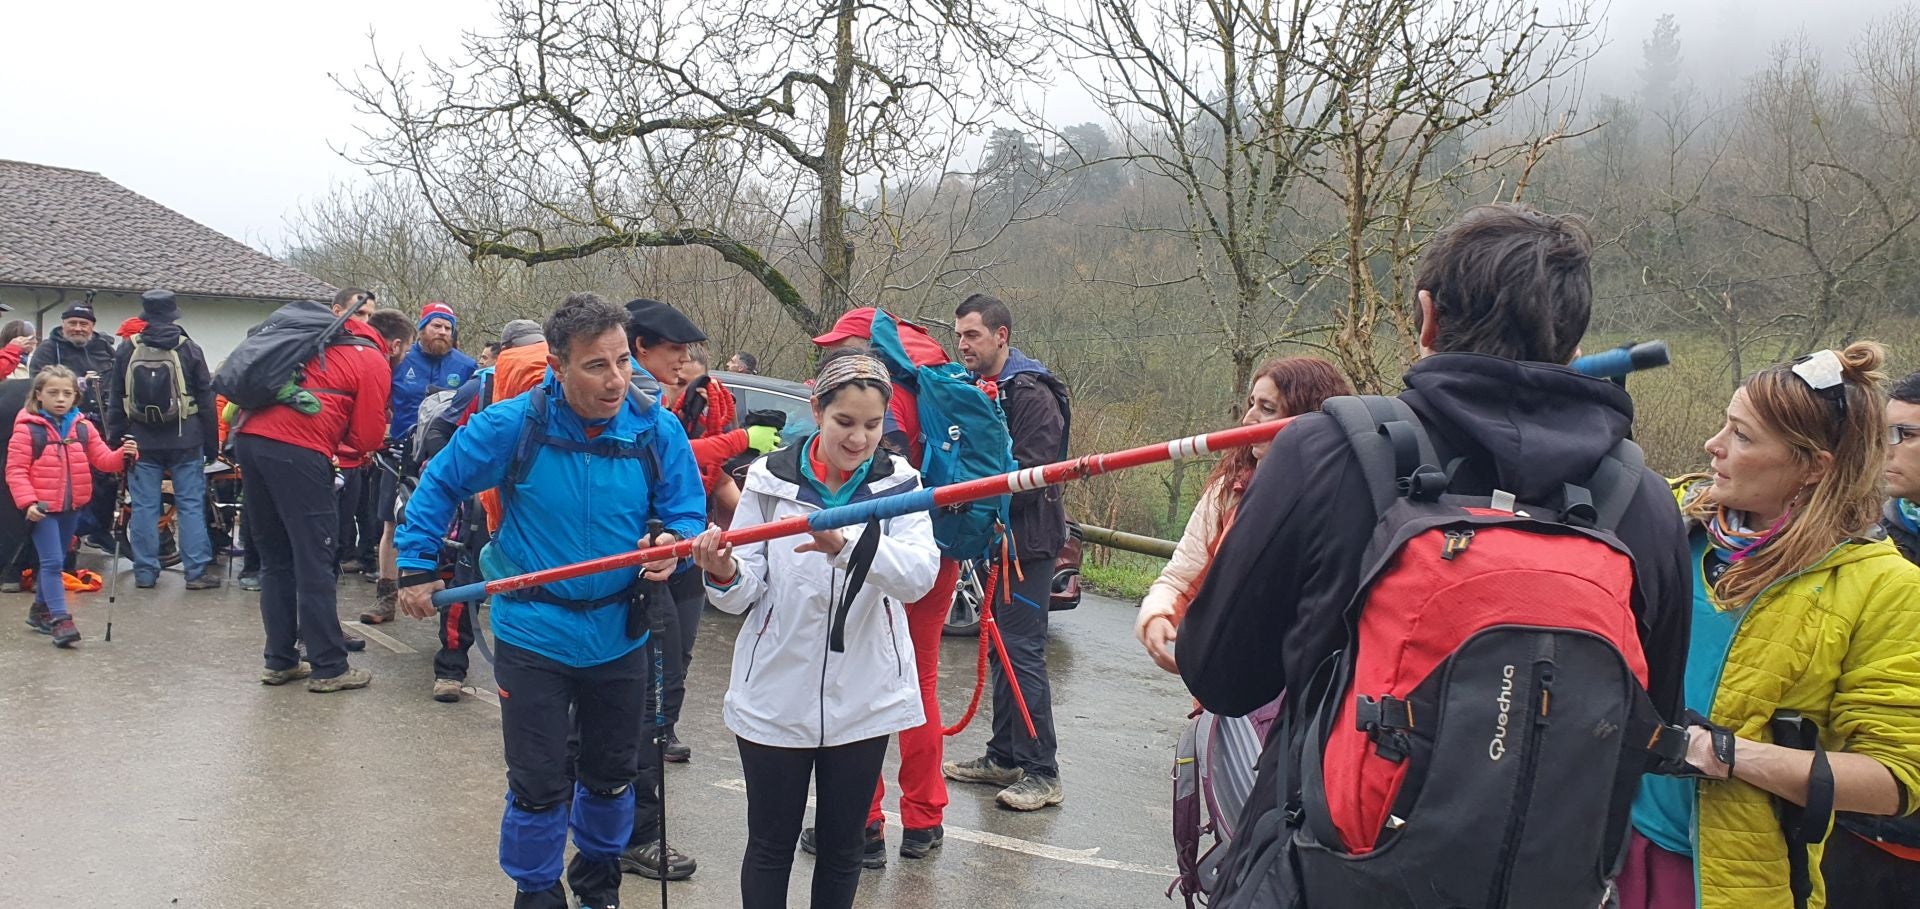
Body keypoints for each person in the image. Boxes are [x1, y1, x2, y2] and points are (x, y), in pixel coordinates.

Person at [1177, 204, 1693, 901]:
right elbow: (1647, 720)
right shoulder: (1642, 501)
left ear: (1426, 317)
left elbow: (1221, 674)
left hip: (1327, 872)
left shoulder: (1329, 450)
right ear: (1574, 341)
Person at [394, 294, 705, 909]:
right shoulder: (514, 424)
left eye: (621, 361)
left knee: (613, 779)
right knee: (538, 785)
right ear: (558, 369)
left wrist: (673, 543)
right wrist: (415, 567)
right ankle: (536, 894)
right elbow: (440, 480)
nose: (616, 380)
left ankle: (598, 885)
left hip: (622, 631)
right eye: (596, 366)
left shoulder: (655, 426)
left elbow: (685, 510)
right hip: (534, 633)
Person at [1619, 346, 1920, 909]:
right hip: (1605, 848)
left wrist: (1730, 754)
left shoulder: (1884, 586)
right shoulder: (1671, 522)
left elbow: (1893, 780)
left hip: (1734, 880)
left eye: (1742, 436)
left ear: (1813, 468)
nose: (1714, 446)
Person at [688, 349, 940, 909]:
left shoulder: (902, 484)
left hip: (864, 698)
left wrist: (847, 545)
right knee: (770, 846)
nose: (858, 439)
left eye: (872, 425)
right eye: (844, 422)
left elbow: (918, 577)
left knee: (843, 847)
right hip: (775, 691)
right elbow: (746, 590)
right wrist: (724, 572)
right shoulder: (766, 478)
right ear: (817, 410)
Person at [804, 306, 965, 863]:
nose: (834, 354)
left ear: (865, 344)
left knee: (865, 679)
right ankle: (923, 821)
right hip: (941, 548)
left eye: (842, 343)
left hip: (883, 546)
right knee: (919, 681)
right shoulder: (933, 384)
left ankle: (864, 823)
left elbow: (876, 478)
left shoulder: (881, 394)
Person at [625, 298, 779, 769]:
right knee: (658, 651)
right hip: (642, 551)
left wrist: (757, 529)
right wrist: (739, 442)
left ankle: (662, 731)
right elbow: (677, 455)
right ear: (641, 347)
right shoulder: (629, 400)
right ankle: (644, 745)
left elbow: (711, 483)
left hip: (688, 542)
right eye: (676, 349)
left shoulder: (702, 402)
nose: (682, 360)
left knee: (681, 646)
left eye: (688, 353)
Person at [1135, 357, 1352, 674]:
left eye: (1267, 408)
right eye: (1251, 404)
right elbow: (1181, 579)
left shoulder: (1344, 499)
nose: (1248, 419)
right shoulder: (1229, 490)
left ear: (1305, 418)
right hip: (1227, 689)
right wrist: (1157, 617)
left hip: (1306, 691)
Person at [942, 293, 1074, 812]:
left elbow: (1033, 472)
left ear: (1001, 335)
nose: (962, 345)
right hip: (996, 537)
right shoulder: (981, 388)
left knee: (1022, 650)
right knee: (1000, 648)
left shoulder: (1031, 393)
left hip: (1030, 542)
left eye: (972, 335)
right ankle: (1004, 754)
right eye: (958, 336)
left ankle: (1044, 771)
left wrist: (968, 493)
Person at [234, 295, 393, 693]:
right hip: (299, 451)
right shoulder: (371, 357)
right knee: (315, 559)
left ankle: (281, 660)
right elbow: (369, 436)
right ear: (395, 344)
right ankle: (329, 667)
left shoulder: (312, 343)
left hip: (250, 440)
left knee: (275, 557)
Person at [1815, 369, 1920, 906]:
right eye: (1883, 433)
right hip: (1855, 830)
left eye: (1905, 434)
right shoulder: (1864, 544)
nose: (1887, 449)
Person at [363, 300, 477, 624]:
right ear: (422, 327)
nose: (442, 331)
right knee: (391, 524)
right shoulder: (399, 362)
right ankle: (386, 597)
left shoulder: (466, 366)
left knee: (450, 527)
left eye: (447, 327)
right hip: (399, 456)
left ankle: (446, 598)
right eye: (435, 325)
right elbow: (380, 404)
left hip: (443, 456)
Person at [8, 365, 136, 647]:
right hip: (42, 509)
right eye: (53, 393)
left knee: (58, 560)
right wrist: (28, 502)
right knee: (52, 563)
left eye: (68, 393)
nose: (61, 399)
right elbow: (15, 470)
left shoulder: (83, 427)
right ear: (39, 395)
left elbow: (103, 460)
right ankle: (60, 620)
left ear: (76, 397)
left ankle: (39, 610)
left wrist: (123, 456)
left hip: (72, 506)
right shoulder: (28, 429)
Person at [106, 290, 220, 590]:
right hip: (186, 439)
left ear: (144, 316)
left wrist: (117, 439)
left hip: (141, 440)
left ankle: (145, 572)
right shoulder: (189, 349)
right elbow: (207, 402)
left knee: (144, 506)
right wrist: (211, 445)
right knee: (190, 506)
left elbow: (115, 398)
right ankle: (196, 573)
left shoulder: (127, 349)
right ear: (174, 315)